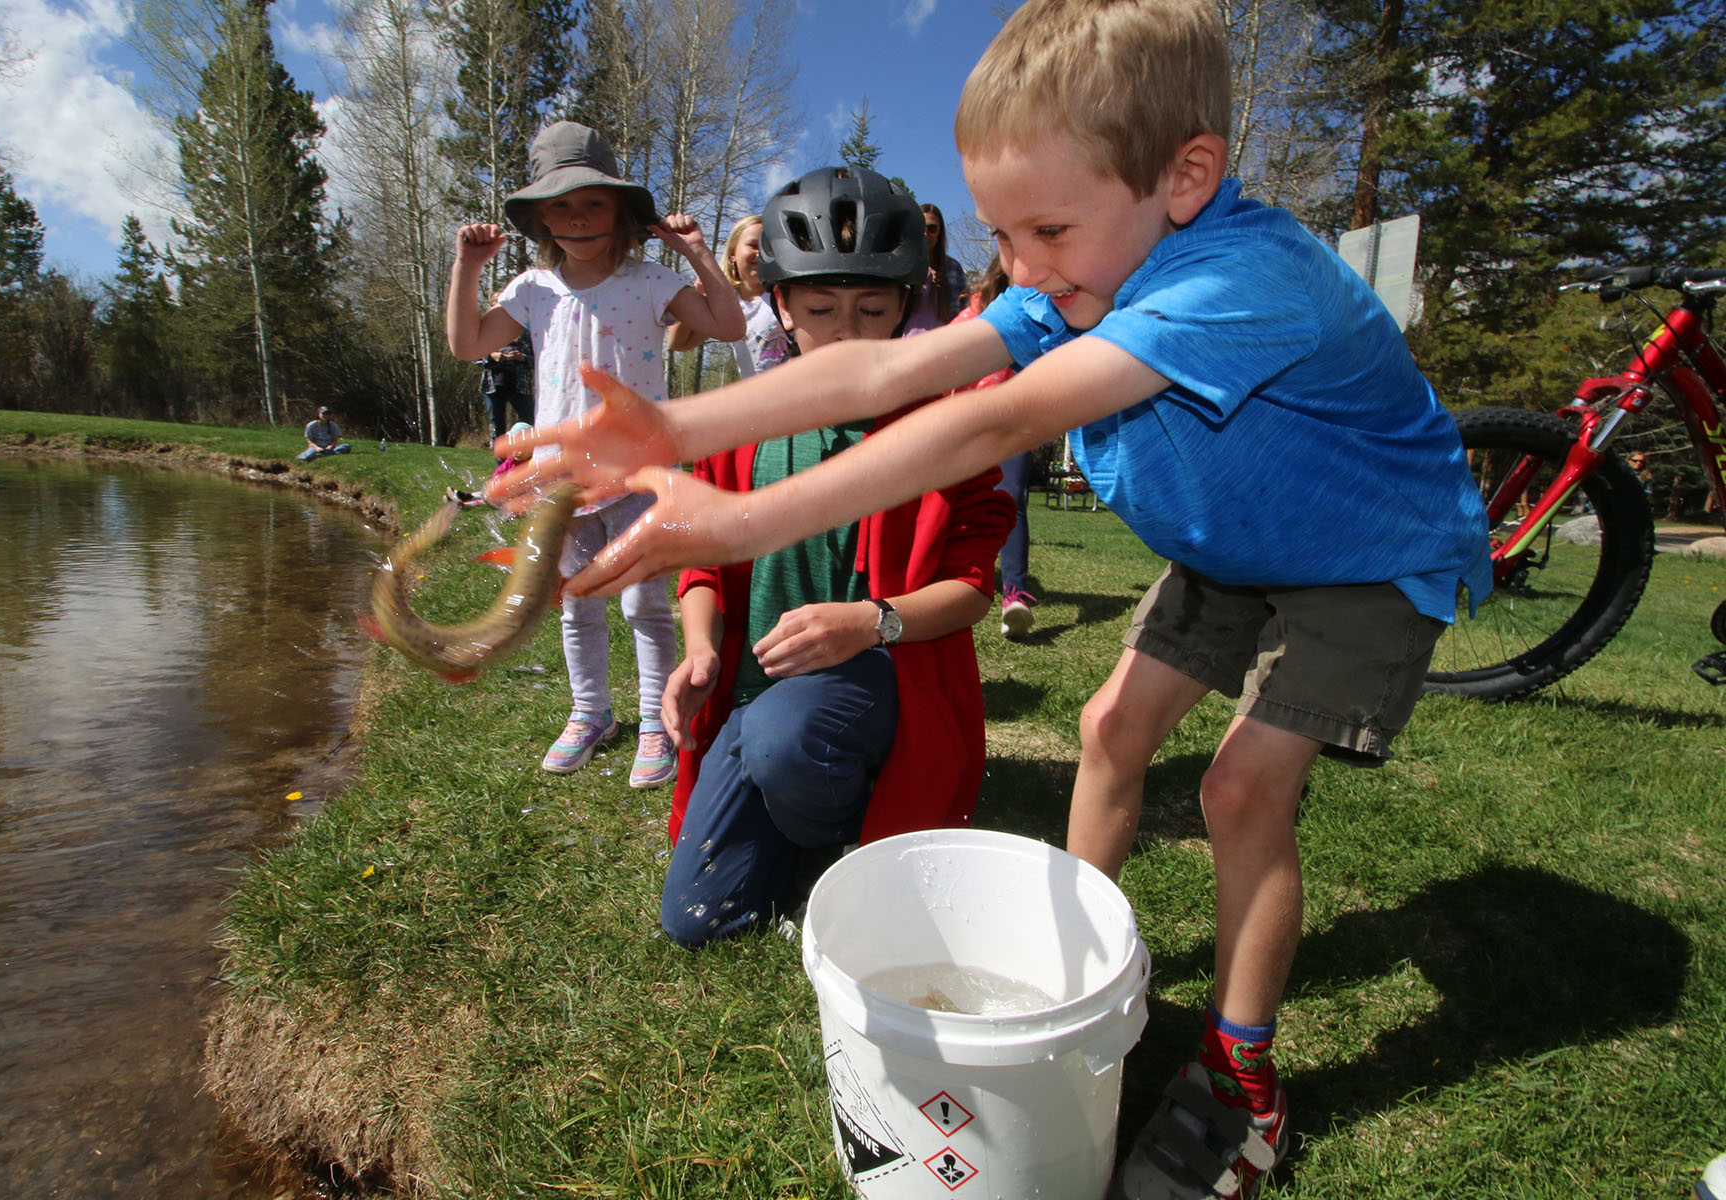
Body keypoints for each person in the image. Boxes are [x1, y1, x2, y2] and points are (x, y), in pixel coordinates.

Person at [491, 2, 1494, 1195]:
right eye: (1001, 234)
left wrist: (743, 520)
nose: (1020, 270)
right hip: (1235, 539)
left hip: (1363, 553)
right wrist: (672, 426)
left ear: (1186, 179)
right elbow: (889, 367)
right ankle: (1079, 982)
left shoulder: (1245, 280)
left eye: (1048, 229)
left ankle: (1243, 1081)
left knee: (1236, 790)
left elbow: (998, 417)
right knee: (1109, 731)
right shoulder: (1075, 264)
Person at [658, 165, 1013, 946]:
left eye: (871, 307)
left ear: (905, 307)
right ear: (780, 305)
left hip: (880, 685)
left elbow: (973, 586)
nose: (846, 330)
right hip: (753, 701)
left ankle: (843, 843)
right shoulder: (743, 426)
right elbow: (701, 562)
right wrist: (698, 650)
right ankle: (795, 826)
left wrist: (870, 622)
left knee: (788, 734)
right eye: (820, 308)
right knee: (699, 921)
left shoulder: (945, 431)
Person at [445, 120, 744, 790]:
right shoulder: (531, 289)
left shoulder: (650, 281)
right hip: (561, 479)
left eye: (593, 202)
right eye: (560, 205)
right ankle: (589, 713)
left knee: (642, 602)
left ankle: (650, 723)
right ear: (540, 218)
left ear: (619, 210)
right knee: (576, 599)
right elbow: (467, 343)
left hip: (638, 470)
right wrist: (468, 266)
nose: (577, 217)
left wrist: (697, 253)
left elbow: (726, 323)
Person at [951, 257, 1036, 637]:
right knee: (958, 502)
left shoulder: (1042, 313)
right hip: (968, 422)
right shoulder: (974, 313)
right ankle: (954, 579)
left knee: (1012, 497)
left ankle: (1014, 594)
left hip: (1014, 419)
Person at [667, 214, 789, 377]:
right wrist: (697, 292)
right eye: (753, 245)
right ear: (733, 254)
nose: (761, 253)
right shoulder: (726, 304)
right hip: (757, 397)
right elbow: (679, 342)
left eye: (769, 247)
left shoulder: (788, 294)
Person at [900, 202, 969, 336]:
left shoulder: (953, 268)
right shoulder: (903, 266)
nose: (926, 233)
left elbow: (964, 312)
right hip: (906, 344)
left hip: (943, 345)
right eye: (921, 227)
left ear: (939, 233)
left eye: (932, 228)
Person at [478, 302, 535, 449]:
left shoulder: (524, 331)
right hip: (493, 385)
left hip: (519, 385)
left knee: (532, 422)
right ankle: (501, 467)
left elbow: (537, 359)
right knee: (497, 426)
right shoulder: (487, 332)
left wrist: (522, 358)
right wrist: (493, 356)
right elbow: (473, 355)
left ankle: (530, 458)